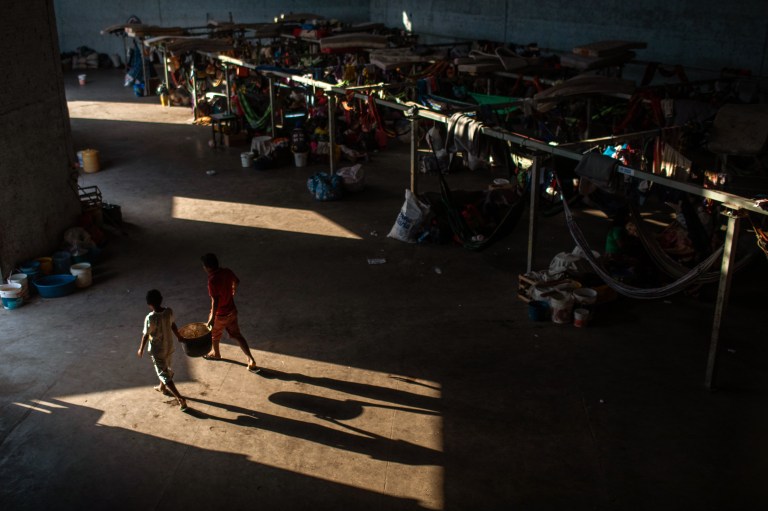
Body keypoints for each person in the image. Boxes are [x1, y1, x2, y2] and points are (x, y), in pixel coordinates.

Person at [200, 253, 259, 372]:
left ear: (207, 267)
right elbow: (236, 281)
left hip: (220, 315)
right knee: (237, 335)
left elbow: (215, 301)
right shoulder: (227, 272)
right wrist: (233, 289)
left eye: (204, 266)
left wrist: (211, 318)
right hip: (232, 312)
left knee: (214, 334)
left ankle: (216, 353)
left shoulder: (212, 281)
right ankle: (250, 359)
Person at [137, 289, 188, 411]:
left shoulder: (150, 317)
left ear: (149, 304)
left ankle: (180, 398)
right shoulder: (168, 311)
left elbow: (145, 335)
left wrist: (141, 349)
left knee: (163, 373)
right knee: (165, 368)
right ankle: (162, 387)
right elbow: (173, 325)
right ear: (161, 299)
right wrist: (179, 337)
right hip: (168, 347)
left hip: (157, 350)